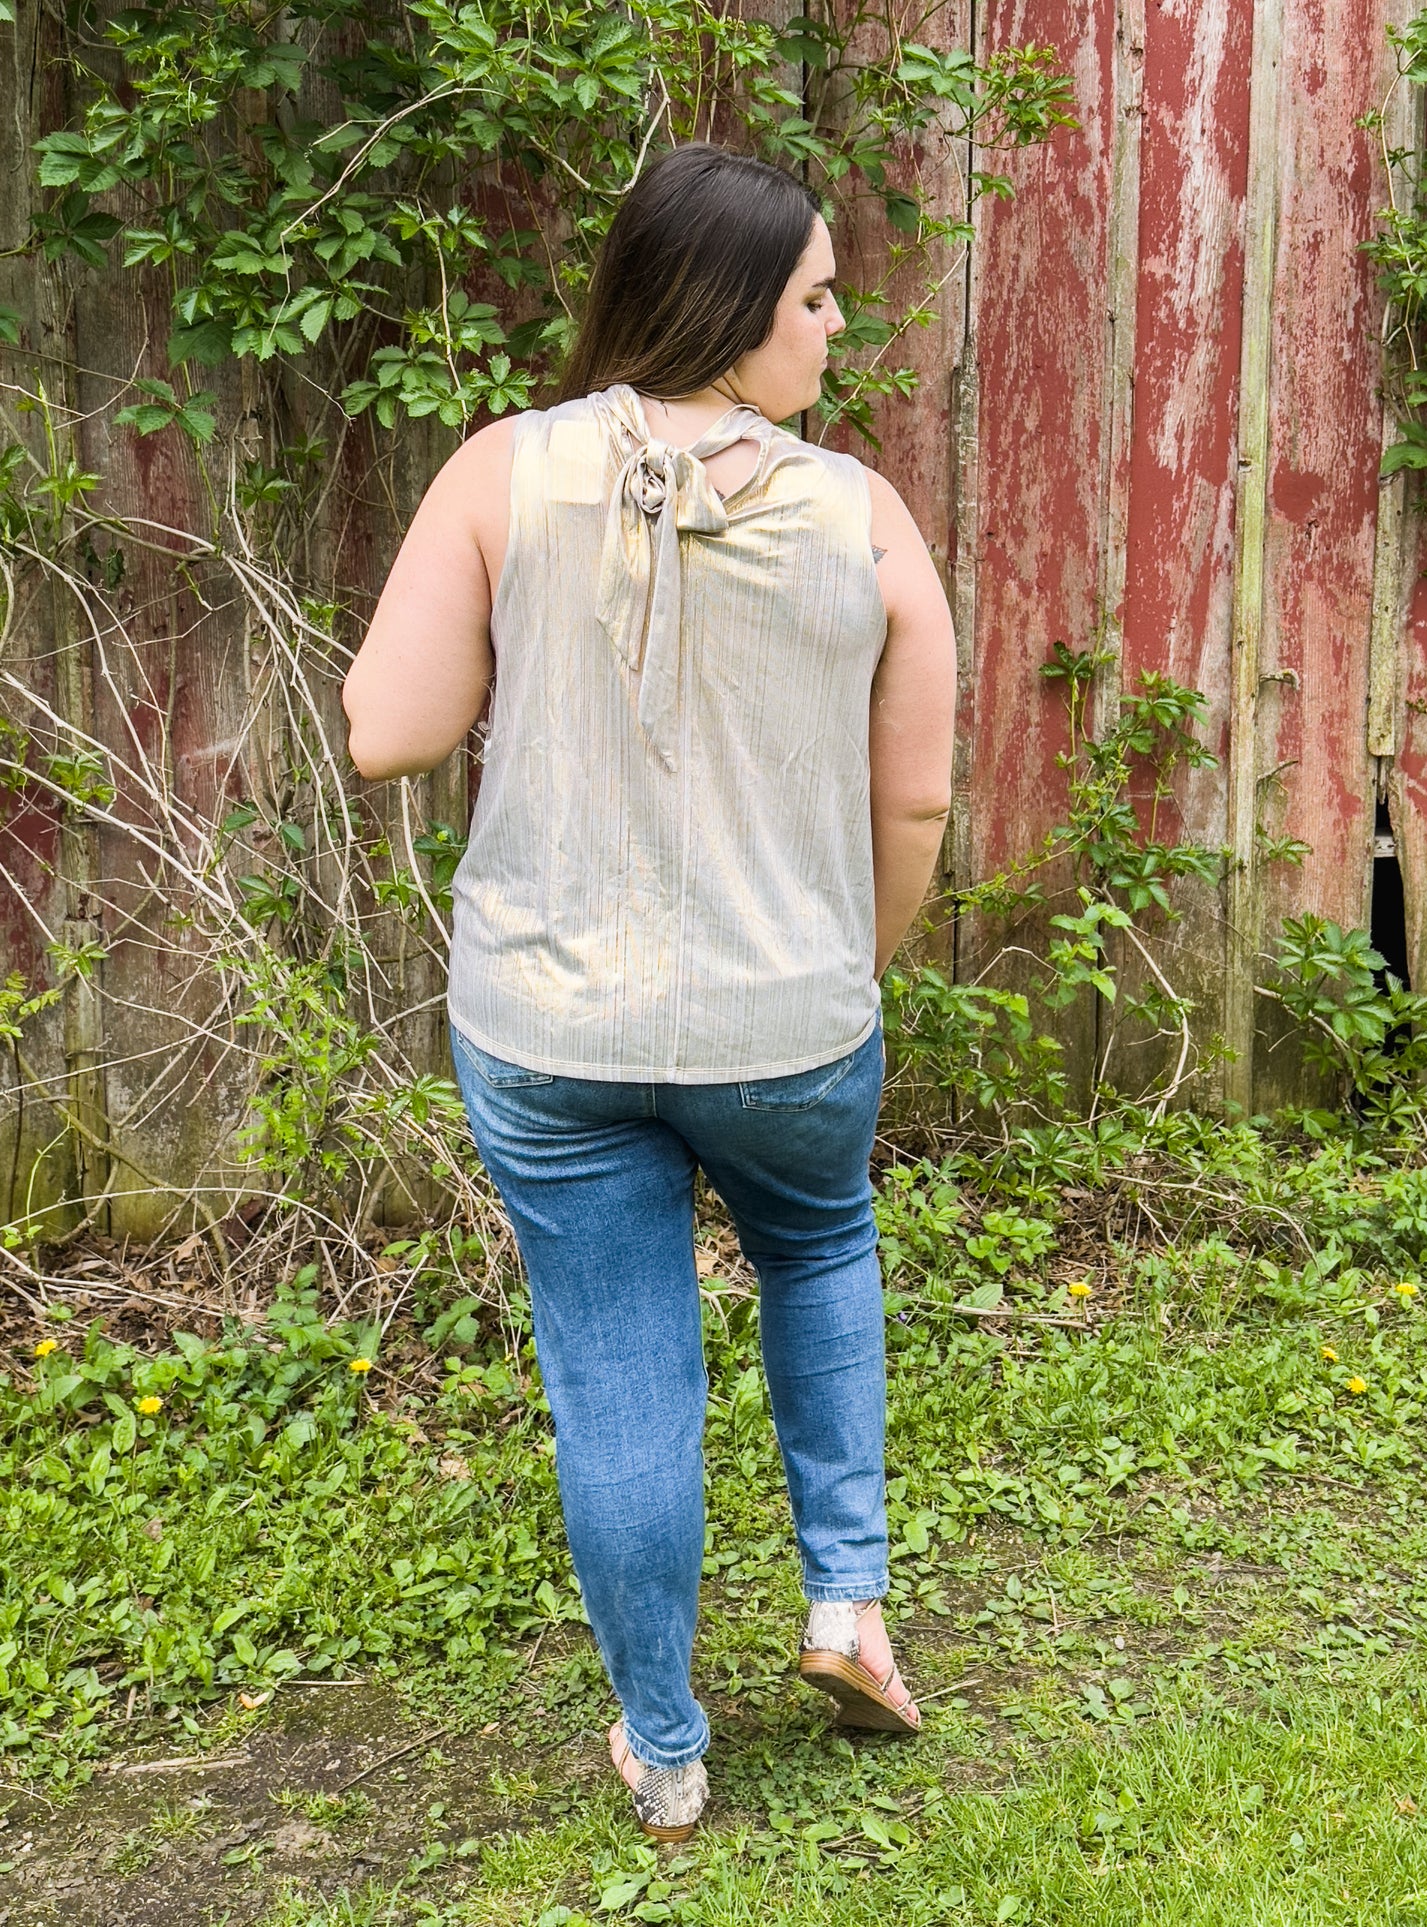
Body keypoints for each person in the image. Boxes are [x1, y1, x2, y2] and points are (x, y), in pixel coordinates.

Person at [343, 142, 957, 1842]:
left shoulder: (499, 475)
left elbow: (385, 730)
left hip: (551, 1029)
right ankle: (845, 1609)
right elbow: (912, 802)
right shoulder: (861, 514)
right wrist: (852, 967)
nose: (834, 330)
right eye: (817, 298)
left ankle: (667, 1750)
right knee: (818, 1240)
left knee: (621, 1373)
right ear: (731, 308)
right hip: (794, 1018)